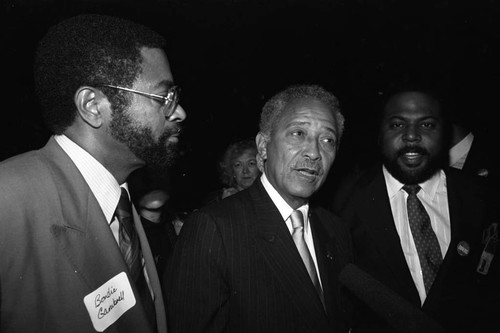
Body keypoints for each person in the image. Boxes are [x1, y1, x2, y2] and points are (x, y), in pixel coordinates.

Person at [0, 14, 186, 333]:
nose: (180, 112)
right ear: (92, 105)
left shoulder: (123, 203)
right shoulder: (8, 199)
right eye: (165, 98)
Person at [165, 84, 353, 332]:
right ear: (263, 147)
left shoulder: (336, 230)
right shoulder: (213, 229)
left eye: (328, 140)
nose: (314, 152)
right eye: (298, 133)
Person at [332, 88, 497, 332]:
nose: (411, 136)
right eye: (397, 125)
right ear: (380, 133)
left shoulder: (483, 199)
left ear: (445, 133)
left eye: (427, 125)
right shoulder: (342, 203)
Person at [202, 138, 261, 206]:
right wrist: (224, 205)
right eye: (238, 165)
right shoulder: (215, 200)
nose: (245, 171)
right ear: (232, 171)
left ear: (260, 166)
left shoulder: (271, 195)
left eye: (251, 163)